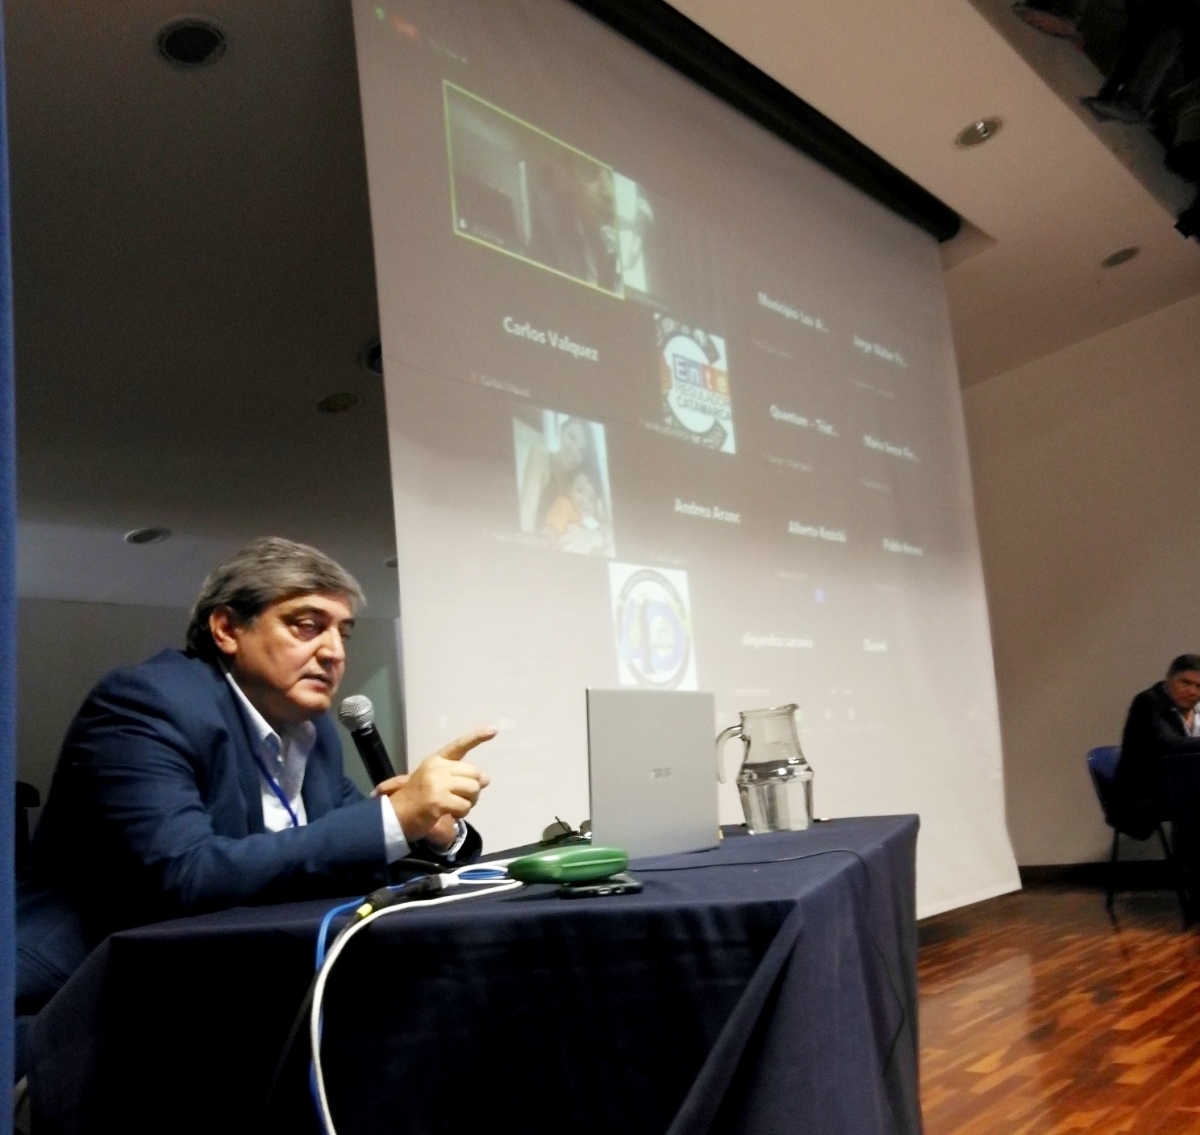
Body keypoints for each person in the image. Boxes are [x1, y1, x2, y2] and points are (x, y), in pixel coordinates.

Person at [15, 536, 493, 1024]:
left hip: (233, 985)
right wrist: (391, 819)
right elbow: (186, 877)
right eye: (308, 626)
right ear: (227, 629)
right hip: (86, 1006)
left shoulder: (313, 734)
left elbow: (346, 853)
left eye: (343, 633)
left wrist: (434, 832)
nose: (333, 652)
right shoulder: (147, 705)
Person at [1112, 654, 1200, 852]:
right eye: (1185, 682)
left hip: (1183, 787)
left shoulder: (1198, 707)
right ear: (1168, 679)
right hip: (1143, 793)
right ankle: (1190, 866)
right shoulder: (1148, 702)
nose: (1192, 691)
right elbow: (1169, 743)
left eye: (1199, 686)